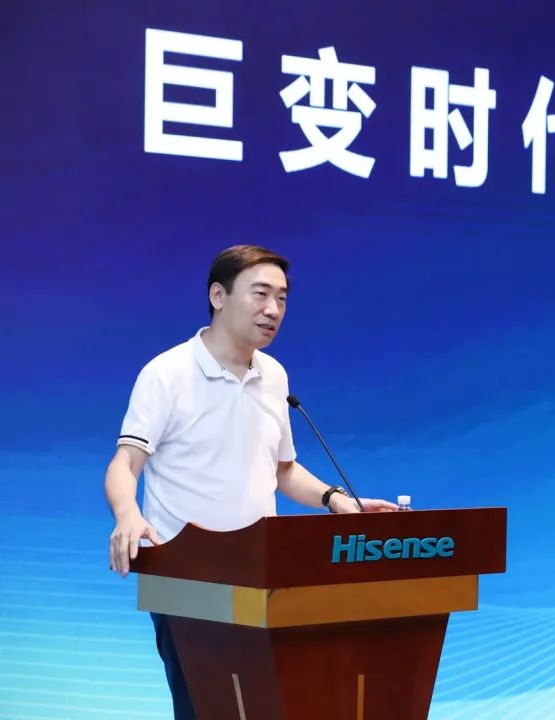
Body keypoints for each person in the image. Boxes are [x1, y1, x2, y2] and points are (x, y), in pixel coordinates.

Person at [104, 245, 397, 719]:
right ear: (218, 296)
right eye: (260, 294)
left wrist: (336, 499)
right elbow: (125, 463)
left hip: (262, 576)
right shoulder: (167, 373)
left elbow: (283, 470)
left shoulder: (274, 375)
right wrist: (127, 514)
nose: (273, 309)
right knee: (207, 710)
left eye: (282, 298)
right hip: (187, 577)